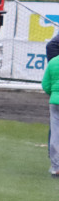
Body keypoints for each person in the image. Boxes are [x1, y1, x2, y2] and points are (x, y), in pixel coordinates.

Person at [43, 43, 59, 178]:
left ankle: (56, 167)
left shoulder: (53, 62)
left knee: (55, 134)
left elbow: (45, 84)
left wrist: (53, 93)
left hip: (54, 102)